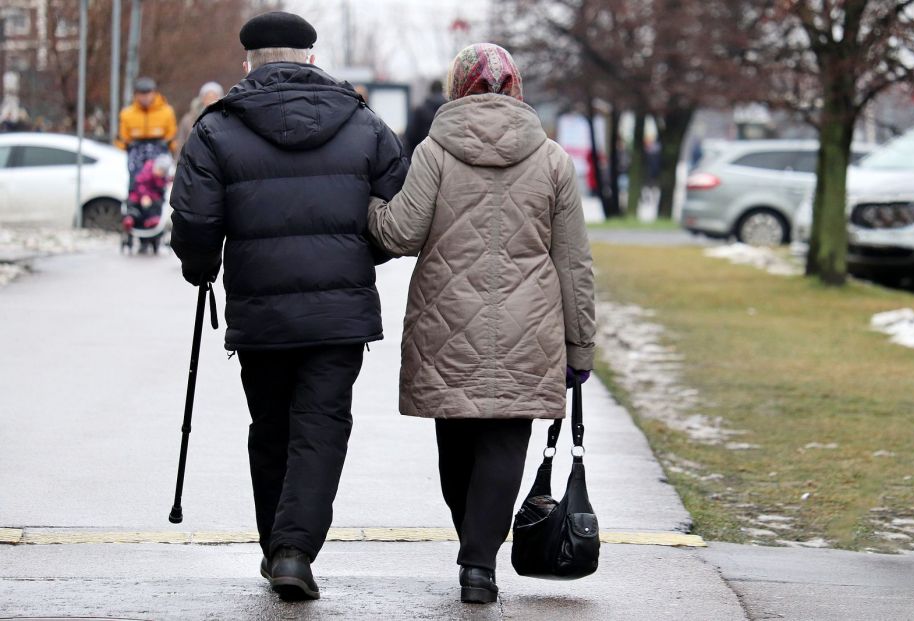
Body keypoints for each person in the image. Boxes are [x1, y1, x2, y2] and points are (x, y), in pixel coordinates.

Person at [169, 11, 407, 601]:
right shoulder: (364, 123)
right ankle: (294, 551)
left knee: (270, 428)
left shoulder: (216, 127)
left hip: (260, 312)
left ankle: (277, 546)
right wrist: (355, 256)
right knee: (321, 428)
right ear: (312, 58)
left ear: (247, 61)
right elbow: (398, 212)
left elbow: (195, 219)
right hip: (339, 315)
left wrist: (201, 268)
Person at [367, 43, 595, 605]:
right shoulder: (551, 159)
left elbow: (399, 234)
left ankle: (473, 552)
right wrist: (580, 346)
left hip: (447, 323)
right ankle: (478, 563)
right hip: (530, 327)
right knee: (503, 447)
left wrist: (370, 207)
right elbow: (574, 263)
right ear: (516, 88)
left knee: (457, 448)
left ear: (457, 87)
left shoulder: (433, 152)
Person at [115, 77, 178, 161]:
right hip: (136, 151)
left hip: (159, 150)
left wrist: (169, 145)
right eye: (141, 94)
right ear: (136, 95)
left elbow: (172, 134)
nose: (145, 97)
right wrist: (126, 145)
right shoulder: (127, 113)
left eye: (148, 93)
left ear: (154, 93)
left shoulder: (167, 111)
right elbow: (122, 137)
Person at [176, 81, 224, 153]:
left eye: (214, 97)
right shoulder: (188, 119)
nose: (211, 101)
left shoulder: (226, 117)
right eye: (208, 97)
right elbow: (181, 143)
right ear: (202, 99)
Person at [404, 79, 446, 155]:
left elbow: (410, 136)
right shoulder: (448, 110)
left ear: (431, 91)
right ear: (443, 91)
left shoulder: (419, 110)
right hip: (444, 158)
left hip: (423, 156)